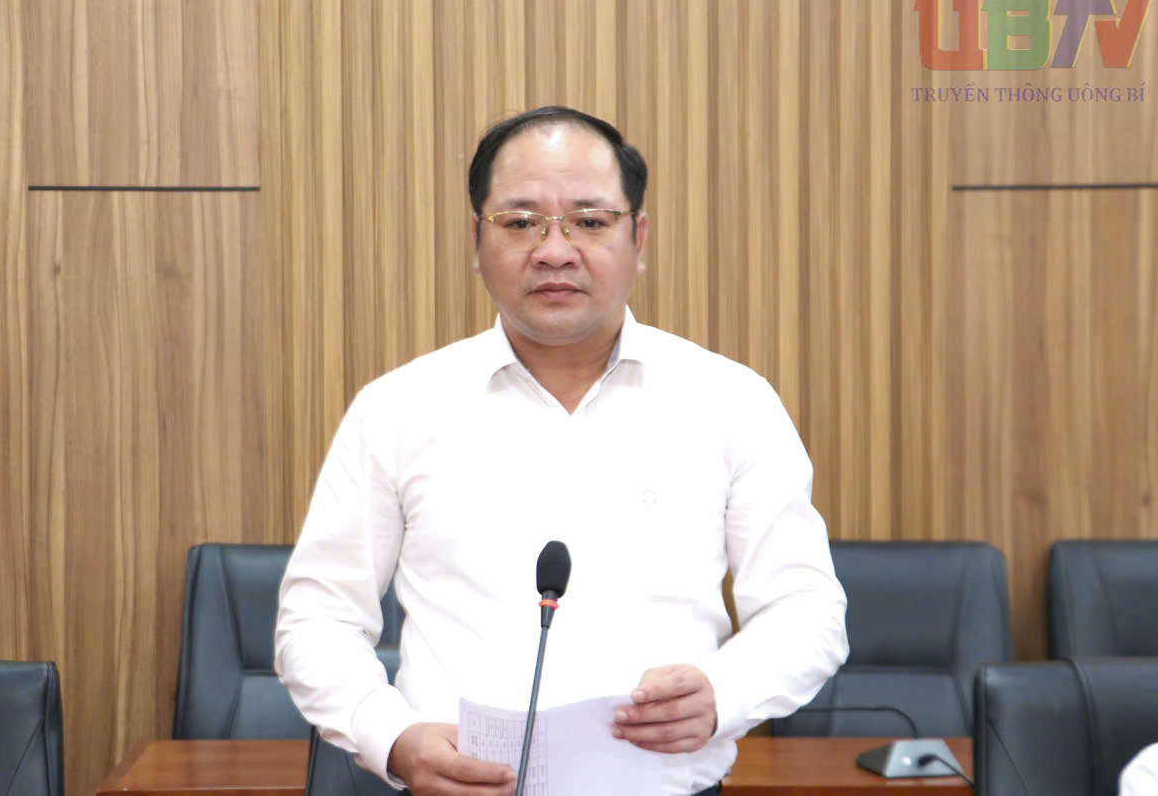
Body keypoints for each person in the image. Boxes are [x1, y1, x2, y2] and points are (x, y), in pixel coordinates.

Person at [275, 106, 849, 796]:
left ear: (638, 238)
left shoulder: (730, 401)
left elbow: (807, 609)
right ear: (477, 239)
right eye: (520, 222)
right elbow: (318, 617)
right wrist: (392, 738)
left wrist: (724, 692)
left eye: (590, 221)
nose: (554, 250)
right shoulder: (399, 409)